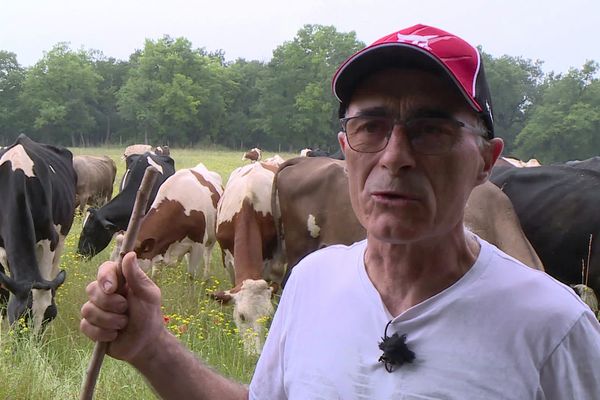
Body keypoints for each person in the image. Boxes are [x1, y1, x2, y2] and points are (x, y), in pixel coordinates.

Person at [80, 24, 600, 399]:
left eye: (432, 130)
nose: (394, 157)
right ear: (344, 149)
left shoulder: (555, 329)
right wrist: (151, 344)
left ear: (486, 161)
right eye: (371, 127)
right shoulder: (311, 283)